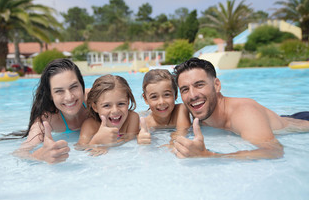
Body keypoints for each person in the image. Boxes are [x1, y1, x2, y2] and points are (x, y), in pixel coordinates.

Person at [172, 57, 309, 160]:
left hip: (301, 121)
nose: (192, 95)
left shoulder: (244, 112)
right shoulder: (191, 111)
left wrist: (208, 155)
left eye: (199, 85)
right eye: (185, 89)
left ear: (217, 85)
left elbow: (274, 152)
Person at [13, 58, 89, 164]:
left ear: (82, 85)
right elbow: (20, 153)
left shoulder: (95, 100)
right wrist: (40, 155)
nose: (69, 97)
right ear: (50, 95)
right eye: (59, 91)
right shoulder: (46, 120)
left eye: (74, 87)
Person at [76, 74, 139, 151]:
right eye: (106, 105)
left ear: (128, 102)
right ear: (95, 107)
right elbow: (80, 149)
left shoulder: (132, 118)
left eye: (121, 104)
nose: (115, 111)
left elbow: (131, 144)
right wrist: (97, 140)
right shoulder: (90, 125)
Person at [138, 69, 191, 145]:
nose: (161, 102)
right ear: (145, 99)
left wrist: (171, 145)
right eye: (154, 97)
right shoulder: (145, 124)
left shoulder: (181, 110)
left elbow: (181, 133)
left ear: (175, 95)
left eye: (166, 95)